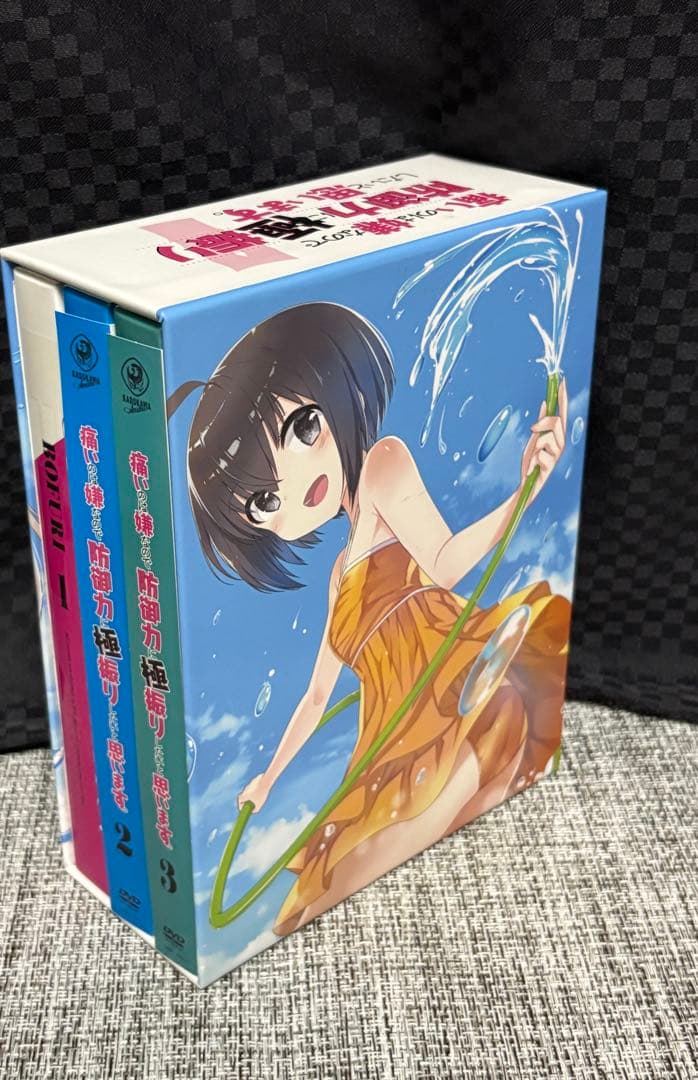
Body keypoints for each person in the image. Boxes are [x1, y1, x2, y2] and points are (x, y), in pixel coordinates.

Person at [168, 301, 571, 936]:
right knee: (328, 888)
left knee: (403, 844)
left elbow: (442, 563)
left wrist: (527, 491)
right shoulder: (338, 577)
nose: (294, 484)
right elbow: (317, 696)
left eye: (303, 427)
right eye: (265, 500)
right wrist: (267, 780)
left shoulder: (382, 465)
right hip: (387, 737)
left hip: (451, 693)